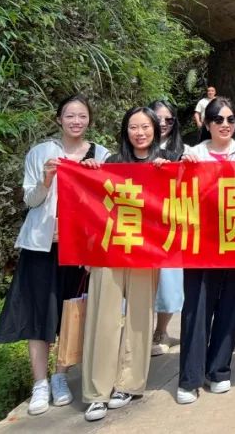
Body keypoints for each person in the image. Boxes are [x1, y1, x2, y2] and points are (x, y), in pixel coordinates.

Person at [0, 95, 108, 417]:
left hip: (78, 248)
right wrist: (46, 179)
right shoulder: (41, 153)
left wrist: (96, 176)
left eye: (81, 116)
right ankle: (39, 383)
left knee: (70, 313)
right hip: (41, 246)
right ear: (59, 119)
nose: (76, 121)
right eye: (70, 115)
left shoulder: (101, 155)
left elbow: (106, 203)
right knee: (38, 314)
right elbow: (30, 200)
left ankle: (60, 376)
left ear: (89, 120)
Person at [80, 107, 168, 421]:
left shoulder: (165, 162)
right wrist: (89, 170)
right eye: (133, 127)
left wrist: (171, 171)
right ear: (125, 130)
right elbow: (91, 204)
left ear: (155, 130)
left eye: (145, 127)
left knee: (140, 317)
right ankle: (97, 392)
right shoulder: (111, 163)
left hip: (146, 251)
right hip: (110, 249)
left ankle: (129, 384)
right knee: (102, 316)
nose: (140, 133)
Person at [176, 97, 235, 404]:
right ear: (208, 124)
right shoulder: (193, 154)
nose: (225, 125)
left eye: (230, 119)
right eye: (219, 120)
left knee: (230, 307)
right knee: (197, 309)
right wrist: (180, 170)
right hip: (201, 245)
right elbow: (175, 192)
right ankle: (190, 378)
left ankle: (219, 369)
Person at [149, 100, 184, 357]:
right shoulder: (132, 149)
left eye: (168, 120)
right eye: (157, 118)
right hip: (140, 223)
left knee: (169, 280)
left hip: (171, 223)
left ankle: (161, 331)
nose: (163, 124)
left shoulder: (183, 150)